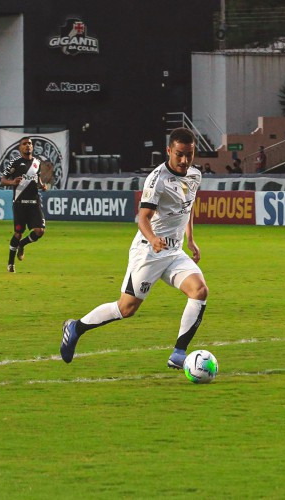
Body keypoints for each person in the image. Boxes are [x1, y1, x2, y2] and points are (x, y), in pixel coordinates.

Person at [60, 127, 208, 370]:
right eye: (179, 154)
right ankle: (75, 327)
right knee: (126, 308)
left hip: (173, 251)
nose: (184, 160)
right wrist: (153, 239)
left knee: (200, 291)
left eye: (189, 155)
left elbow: (188, 206)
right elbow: (142, 218)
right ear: (169, 151)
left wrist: (190, 239)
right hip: (149, 251)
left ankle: (179, 354)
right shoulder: (156, 180)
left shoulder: (194, 175)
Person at [0, 136, 48, 273]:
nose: (28, 146)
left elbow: (37, 179)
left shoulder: (37, 163)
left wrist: (42, 185)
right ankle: (10, 263)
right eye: (25, 144)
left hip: (34, 202)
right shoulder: (15, 163)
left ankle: (22, 244)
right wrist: (12, 182)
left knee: (40, 231)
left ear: (32, 147)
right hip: (20, 203)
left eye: (30, 144)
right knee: (18, 233)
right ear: (20, 148)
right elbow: (3, 179)